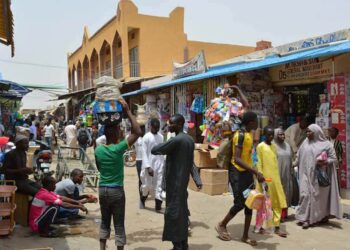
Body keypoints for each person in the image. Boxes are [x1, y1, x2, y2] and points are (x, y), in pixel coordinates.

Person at [95, 99, 142, 250]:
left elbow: (100, 168)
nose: (121, 132)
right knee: (119, 224)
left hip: (102, 189)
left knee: (104, 221)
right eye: (119, 131)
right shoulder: (119, 148)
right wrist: (127, 110)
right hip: (116, 191)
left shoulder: (98, 150)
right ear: (115, 133)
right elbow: (137, 131)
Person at [215, 111, 264, 246]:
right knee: (240, 203)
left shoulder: (249, 134)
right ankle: (222, 224)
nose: (258, 123)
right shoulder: (240, 135)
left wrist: (255, 171)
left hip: (247, 172)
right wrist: (254, 171)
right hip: (237, 173)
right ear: (250, 123)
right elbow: (236, 158)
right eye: (256, 121)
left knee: (250, 202)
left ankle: (245, 236)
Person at [151, 114, 194, 250]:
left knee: (173, 214)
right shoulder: (189, 140)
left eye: (171, 123)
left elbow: (155, 150)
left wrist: (164, 134)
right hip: (182, 184)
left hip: (174, 184)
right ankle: (183, 244)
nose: (168, 125)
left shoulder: (176, 140)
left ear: (179, 124)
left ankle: (177, 246)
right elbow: (191, 163)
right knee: (181, 213)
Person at [295, 124, 342, 229]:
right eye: (306, 132)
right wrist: (294, 163)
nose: (307, 134)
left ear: (316, 132)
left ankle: (310, 219)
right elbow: (299, 155)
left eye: (309, 132)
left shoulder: (327, 144)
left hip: (318, 176)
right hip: (304, 174)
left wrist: (324, 162)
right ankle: (303, 217)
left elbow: (334, 159)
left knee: (316, 198)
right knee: (305, 195)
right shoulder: (305, 143)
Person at [256, 126, 287, 237]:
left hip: (275, 179)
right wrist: (261, 177)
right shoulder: (260, 146)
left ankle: (277, 227)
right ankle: (260, 226)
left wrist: (277, 178)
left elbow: (274, 163)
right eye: (268, 134)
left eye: (271, 135)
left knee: (277, 202)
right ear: (264, 134)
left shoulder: (274, 147)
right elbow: (259, 162)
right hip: (266, 179)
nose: (270, 137)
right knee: (264, 204)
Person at [140, 118, 165, 212]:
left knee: (158, 186)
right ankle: (142, 199)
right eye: (155, 127)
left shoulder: (161, 137)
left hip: (159, 164)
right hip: (149, 165)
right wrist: (148, 167)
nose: (157, 129)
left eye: (158, 128)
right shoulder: (146, 137)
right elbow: (144, 153)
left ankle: (158, 206)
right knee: (147, 186)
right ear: (150, 126)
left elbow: (162, 150)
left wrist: (163, 163)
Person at [273, 128, 294, 221]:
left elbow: (291, 159)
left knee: (286, 194)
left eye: (283, 134)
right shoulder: (272, 146)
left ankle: (284, 214)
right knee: (276, 194)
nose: (282, 136)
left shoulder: (288, 146)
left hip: (287, 174)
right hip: (276, 174)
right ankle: (276, 214)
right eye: (280, 134)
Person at [135, 125, 145, 208]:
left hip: (147, 162)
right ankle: (141, 199)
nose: (142, 130)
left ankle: (144, 194)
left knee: (147, 180)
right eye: (141, 129)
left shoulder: (147, 138)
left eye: (143, 129)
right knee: (140, 180)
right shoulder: (136, 139)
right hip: (139, 161)